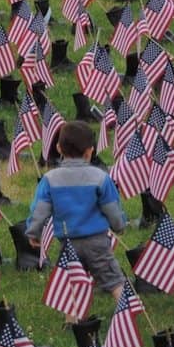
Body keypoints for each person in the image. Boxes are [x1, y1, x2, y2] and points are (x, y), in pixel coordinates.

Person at [25, 120, 127, 321]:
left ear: (58, 148)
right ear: (90, 152)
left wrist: (33, 232)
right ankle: (126, 314)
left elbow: (40, 209)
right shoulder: (100, 177)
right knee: (113, 279)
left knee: (71, 281)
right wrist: (119, 225)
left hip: (68, 241)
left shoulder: (50, 179)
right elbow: (111, 207)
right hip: (97, 241)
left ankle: (71, 321)